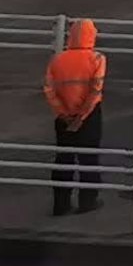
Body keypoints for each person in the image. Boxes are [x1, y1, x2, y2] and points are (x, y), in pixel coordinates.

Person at [44, 15, 107, 215]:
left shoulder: (57, 60)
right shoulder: (97, 59)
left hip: (63, 119)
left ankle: (61, 205)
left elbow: (49, 90)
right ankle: (87, 201)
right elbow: (95, 90)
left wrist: (64, 114)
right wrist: (81, 117)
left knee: (64, 160)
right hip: (88, 118)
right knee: (89, 160)